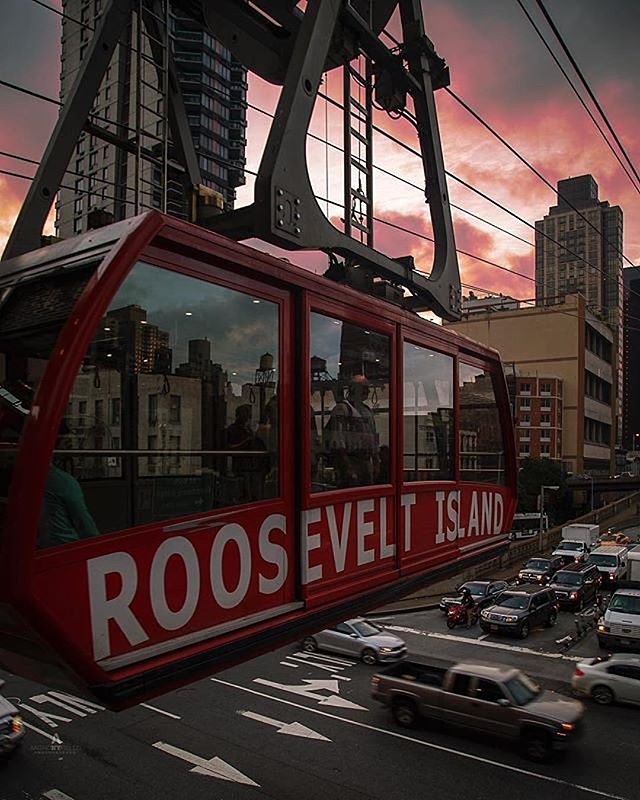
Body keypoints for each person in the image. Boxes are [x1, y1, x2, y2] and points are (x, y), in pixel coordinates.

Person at [38, 423, 99, 548]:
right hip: (64, 547)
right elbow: (85, 524)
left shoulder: (26, 475)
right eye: (67, 442)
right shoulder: (63, 481)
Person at [324, 374, 379, 488]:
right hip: (351, 460)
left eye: (367, 389)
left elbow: (373, 438)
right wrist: (348, 469)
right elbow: (338, 443)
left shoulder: (367, 411)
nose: (367, 392)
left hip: (366, 462)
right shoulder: (343, 409)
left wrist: (375, 461)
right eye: (364, 388)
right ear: (354, 389)